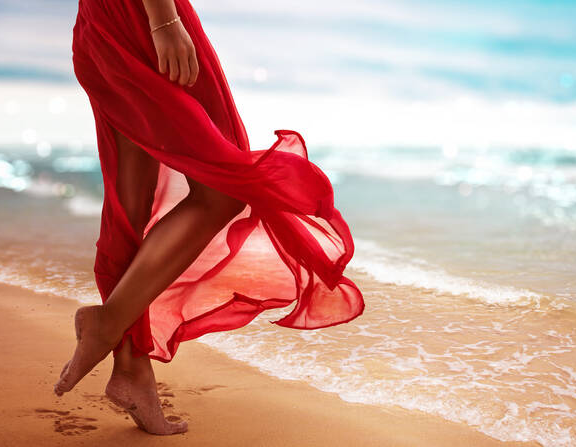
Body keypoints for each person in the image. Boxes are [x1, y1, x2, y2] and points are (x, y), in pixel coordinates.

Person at [54, 0, 365, 436]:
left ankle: (132, 369)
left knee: (133, 204)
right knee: (220, 187)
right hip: (140, 19)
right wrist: (164, 20)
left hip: (109, 19)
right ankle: (108, 326)